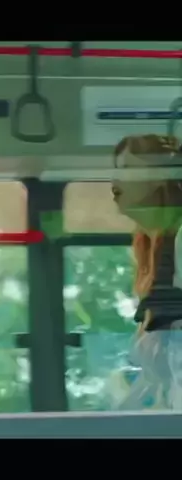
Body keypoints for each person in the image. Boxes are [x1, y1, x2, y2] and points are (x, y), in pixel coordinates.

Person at [110, 133, 182, 410]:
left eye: (127, 169)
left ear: (160, 176)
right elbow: (157, 374)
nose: (114, 183)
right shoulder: (149, 249)